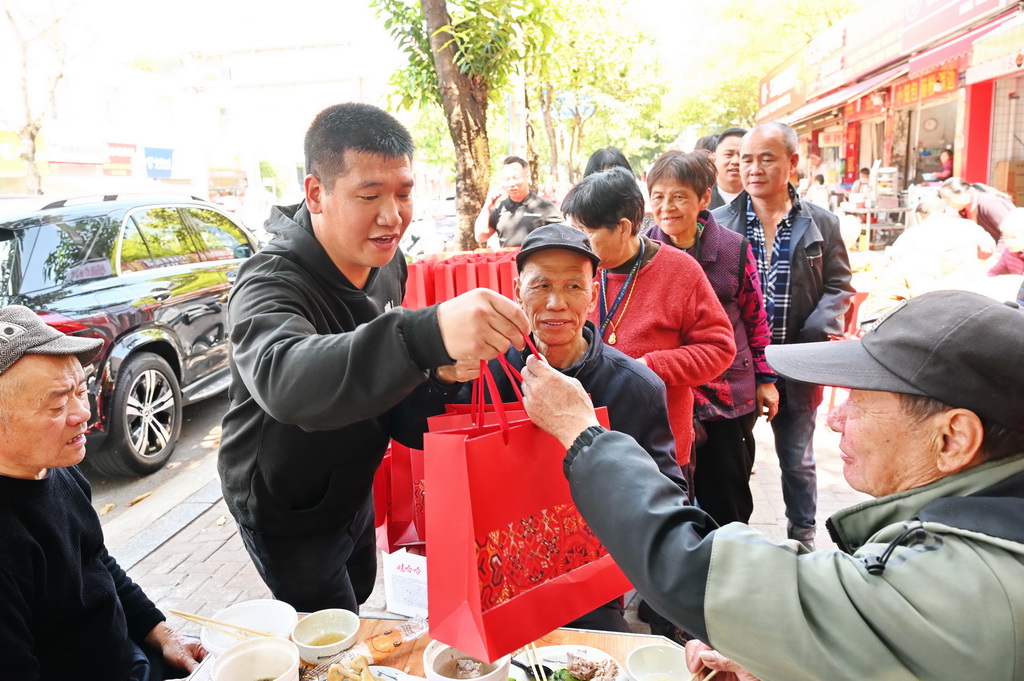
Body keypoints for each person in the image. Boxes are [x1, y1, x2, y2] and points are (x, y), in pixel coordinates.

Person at [519, 289, 1024, 681]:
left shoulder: (969, 584)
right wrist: (790, 656)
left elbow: (696, 568)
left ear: (954, 437)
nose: (837, 420)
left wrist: (583, 434)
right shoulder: (984, 528)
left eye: (861, 401)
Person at [218, 103, 530, 614]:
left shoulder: (389, 263)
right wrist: (424, 335)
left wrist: (440, 371)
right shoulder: (267, 283)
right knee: (331, 629)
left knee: (360, 589)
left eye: (404, 194)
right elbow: (284, 378)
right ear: (316, 193)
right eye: (369, 196)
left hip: (354, 480)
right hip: (286, 502)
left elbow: (390, 374)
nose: (393, 217)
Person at [393, 224, 685, 632]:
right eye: (541, 285)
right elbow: (412, 435)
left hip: (586, 589)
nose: (555, 303)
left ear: (593, 293)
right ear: (517, 290)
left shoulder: (634, 386)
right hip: (490, 579)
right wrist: (441, 377)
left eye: (573, 287)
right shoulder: (483, 370)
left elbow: (669, 494)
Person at [0, 305, 205, 680]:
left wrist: (161, 634)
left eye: (81, 389)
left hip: (128, 655)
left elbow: (94, 560)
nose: (83, 412)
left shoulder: (56, 467)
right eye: (58, 403)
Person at [712, 122, 854, 548]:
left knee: (797, 460)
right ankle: (733, 540)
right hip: (738, 368)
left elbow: (840, 287)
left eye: (765, 158)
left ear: (792, 163)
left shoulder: (822, 223)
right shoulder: (720, 223)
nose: (752, 168)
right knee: (732, 461)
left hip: (798, 364)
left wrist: (812, 336)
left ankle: (803, 538)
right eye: (746, 159)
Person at [561, 166, 735, 493]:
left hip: (658, 444)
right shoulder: (578, 271)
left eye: (586, 233)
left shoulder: (680, 272)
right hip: (587, 439)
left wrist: (649, 368)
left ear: (623, 228)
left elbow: (720, 349)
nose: (577, 244)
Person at [643, 150, 778, 526]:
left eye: (679, 196)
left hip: (727, 393)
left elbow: (755, 317)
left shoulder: (733, 249)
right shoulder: (642, 251)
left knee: (727, 497)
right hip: (668, 392)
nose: (667, 207)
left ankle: (734, 569)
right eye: (658, 196)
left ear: (704, 198)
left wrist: (766, 379)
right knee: (672, 496)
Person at [859, 195, 995, 326]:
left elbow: (892, 267)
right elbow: (988, 250)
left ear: (918, 216)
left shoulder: (910, 236)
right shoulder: (970, 227)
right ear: (945, 212)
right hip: (972, 297)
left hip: (930, 303)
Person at [475, 156, 562, 246]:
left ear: (527, 177)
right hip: (507, 259)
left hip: (536, 259)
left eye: (516, 178)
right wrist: (487, 206)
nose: (511, 183)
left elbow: (564, 236)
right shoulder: (499, 208)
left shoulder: (545, 207)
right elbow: (480, 237)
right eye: (507, 179)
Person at [939, 177, 1015, 242]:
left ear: (961, 193)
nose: (949, 205)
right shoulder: (964, 209)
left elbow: (1011, 232)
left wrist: (997, 256)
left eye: (949, 200)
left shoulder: (988, 202)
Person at [988, 207, 1024, 276]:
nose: (1008, 241)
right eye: (1006, 236)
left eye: (1013, 237)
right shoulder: (1009, 252)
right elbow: (994, 272)